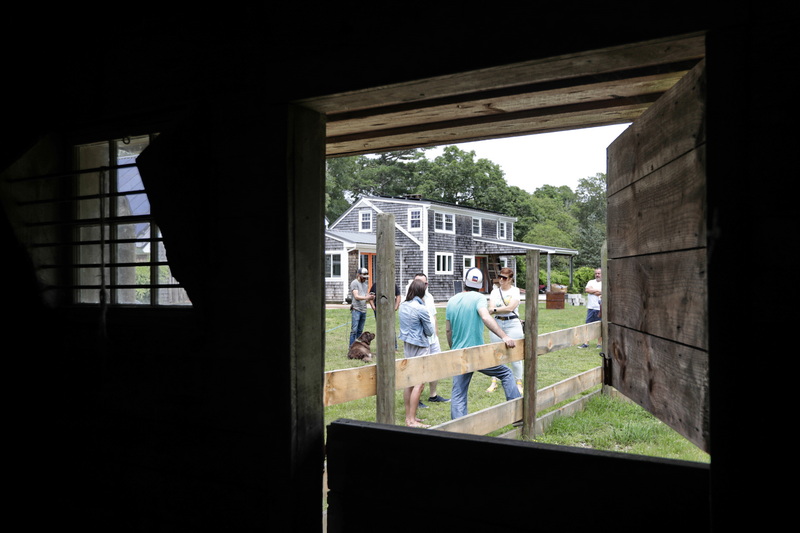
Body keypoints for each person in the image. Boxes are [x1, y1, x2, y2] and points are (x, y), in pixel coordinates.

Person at [446, 267, 521, 420]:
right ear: (480, 284)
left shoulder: (452, 300)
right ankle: (516, 414)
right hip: (476, 353)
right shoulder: (479, 298)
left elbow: (448, 330)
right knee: (506, 373)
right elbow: (486, 318)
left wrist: (452, 348)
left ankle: (457, 430)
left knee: (459, 393)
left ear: (464, 281)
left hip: (458, 353)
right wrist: (504, 336)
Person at [405, 273, 449, 407]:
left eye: (423, 283)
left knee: (435, 365)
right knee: (416, 369)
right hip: (418, 341)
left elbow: (433, 317)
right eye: (417, 282)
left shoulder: (429, 297)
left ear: (426, 285)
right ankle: (415, 400)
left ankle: (433, 395)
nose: (419, 285)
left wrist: (435, 334)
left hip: (432, 339)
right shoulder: (410, 299)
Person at [398, 279, 434, 428]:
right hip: (420, 346)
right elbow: (429, 331)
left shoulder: (403, 306)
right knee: (419, 384)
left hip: (407, 345)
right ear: (422, 292)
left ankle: (409, 417)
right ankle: (412, 420)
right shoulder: (421, 308)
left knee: (409, 382)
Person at [486, 267, 524, 395]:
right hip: (497, 323)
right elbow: (489, 307)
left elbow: (510, 307)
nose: (501, 280)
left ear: (510, 279)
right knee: (496, 352)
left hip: (512, 322)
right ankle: (494, 381)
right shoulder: (494, 291)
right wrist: (498, 309)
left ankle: (518, 382)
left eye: (504, 278)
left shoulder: (515, 291)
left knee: (515, 354)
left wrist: (496, 310)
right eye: (500, 276)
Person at [349, 267, 374, 348]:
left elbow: (364, 295)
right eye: (363, 277)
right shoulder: (354, 283)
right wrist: (366, 298)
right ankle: (352, 347)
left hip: (363, 309)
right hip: (356, 309)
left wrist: (370, 296)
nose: (365, 279)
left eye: (366, 277)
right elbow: (356, 296)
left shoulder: (365, 284)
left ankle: (359, 347)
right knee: (354, 330)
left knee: (360, 331)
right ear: (359, 275)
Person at [579, 267, 602, 349]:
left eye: (599, 273)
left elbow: (603, 292)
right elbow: (587, 290)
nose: (597, 275)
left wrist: (593, 290)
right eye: (596, 273)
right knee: (588, 325)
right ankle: (586, 343)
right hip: (591, 307)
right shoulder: (590, 282)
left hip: (600, 308)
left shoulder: (605, 283)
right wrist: (598, 291)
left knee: (600, 326)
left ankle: (599, 344)